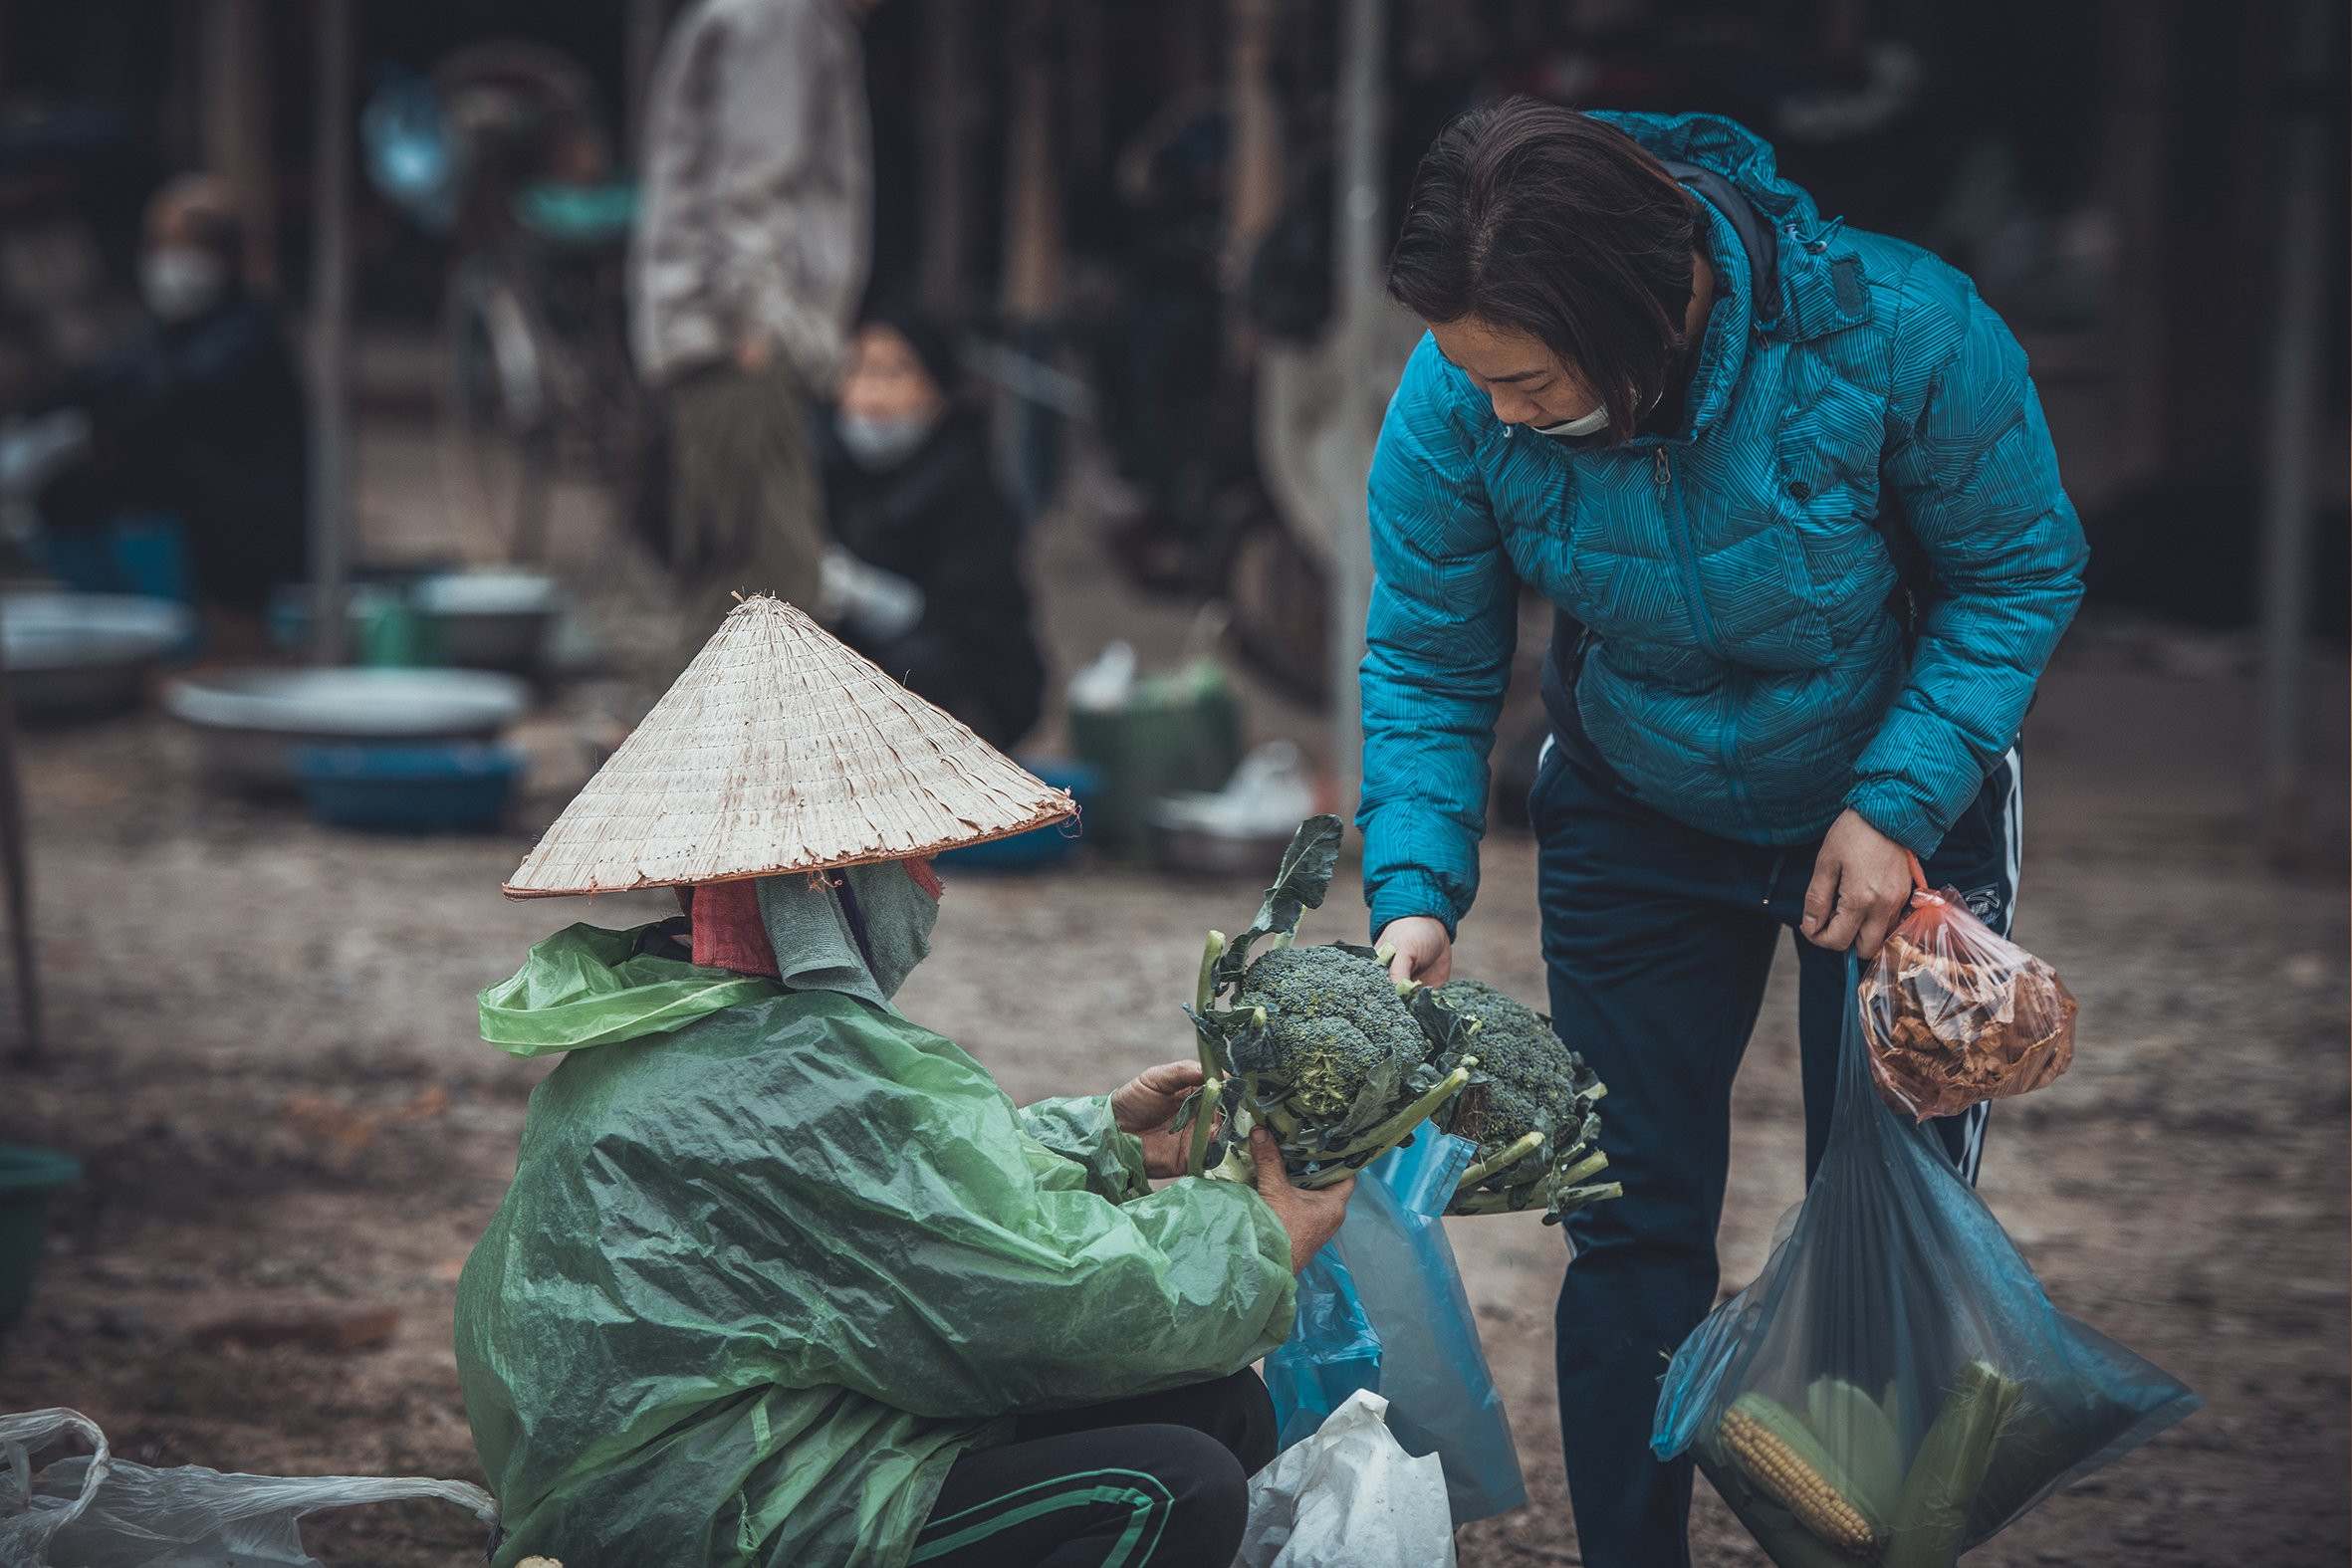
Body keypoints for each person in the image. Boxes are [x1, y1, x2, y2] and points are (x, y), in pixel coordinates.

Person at [1356, 102, 2086, 1565]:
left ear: (1641, 313)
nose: (1496, 409)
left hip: (1897, 816)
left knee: (1886, 1221)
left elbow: (2015, 570)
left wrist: (1890, 806)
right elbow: (1430, 658)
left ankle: (1859, 1542)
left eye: (1528, 378)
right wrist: (1417, 888)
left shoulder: (1900, 333)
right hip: (1635, 804)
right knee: (1626, 1219)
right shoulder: (1452, 401)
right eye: (1474, 376)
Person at [457, 595, 1349, 1568]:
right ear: (821, 884)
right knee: (1171, 1490)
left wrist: (1097, 1140)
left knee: (1214, 1407)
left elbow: (877, 1207)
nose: (924, 886)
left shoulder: (687, 1015)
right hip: (702, 1514)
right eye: (905, 860)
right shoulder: (789, 1069)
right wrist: (1261, 1236)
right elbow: (1033, 1297)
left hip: (721, 1449)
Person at [629, 0, 875, 626]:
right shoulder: (777, 17)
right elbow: (751, 180)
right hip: (735, 339)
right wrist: (754, 323)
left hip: (733, 333)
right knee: (766, 590)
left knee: (738, 578)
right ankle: (719, 731)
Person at [8, 174, 307, 655]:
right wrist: (36, 424)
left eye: (192, 248)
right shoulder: (166, 333)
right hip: (189, 501)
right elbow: (103, 381)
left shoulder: (246, 332)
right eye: (165, 247)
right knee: (65, 494)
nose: (174, 265)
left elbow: (170, 400)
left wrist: (88, 434)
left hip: (243, 523)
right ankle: (113, 628)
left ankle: (204, 631)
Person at [822, 310, 1047, 748]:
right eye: (858, 369)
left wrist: (878, 599)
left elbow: (980, 620)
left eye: (893, 372)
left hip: (968, 691)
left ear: (936, 390)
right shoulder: (827, 473)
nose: (871, 392)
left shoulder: (968, 483)